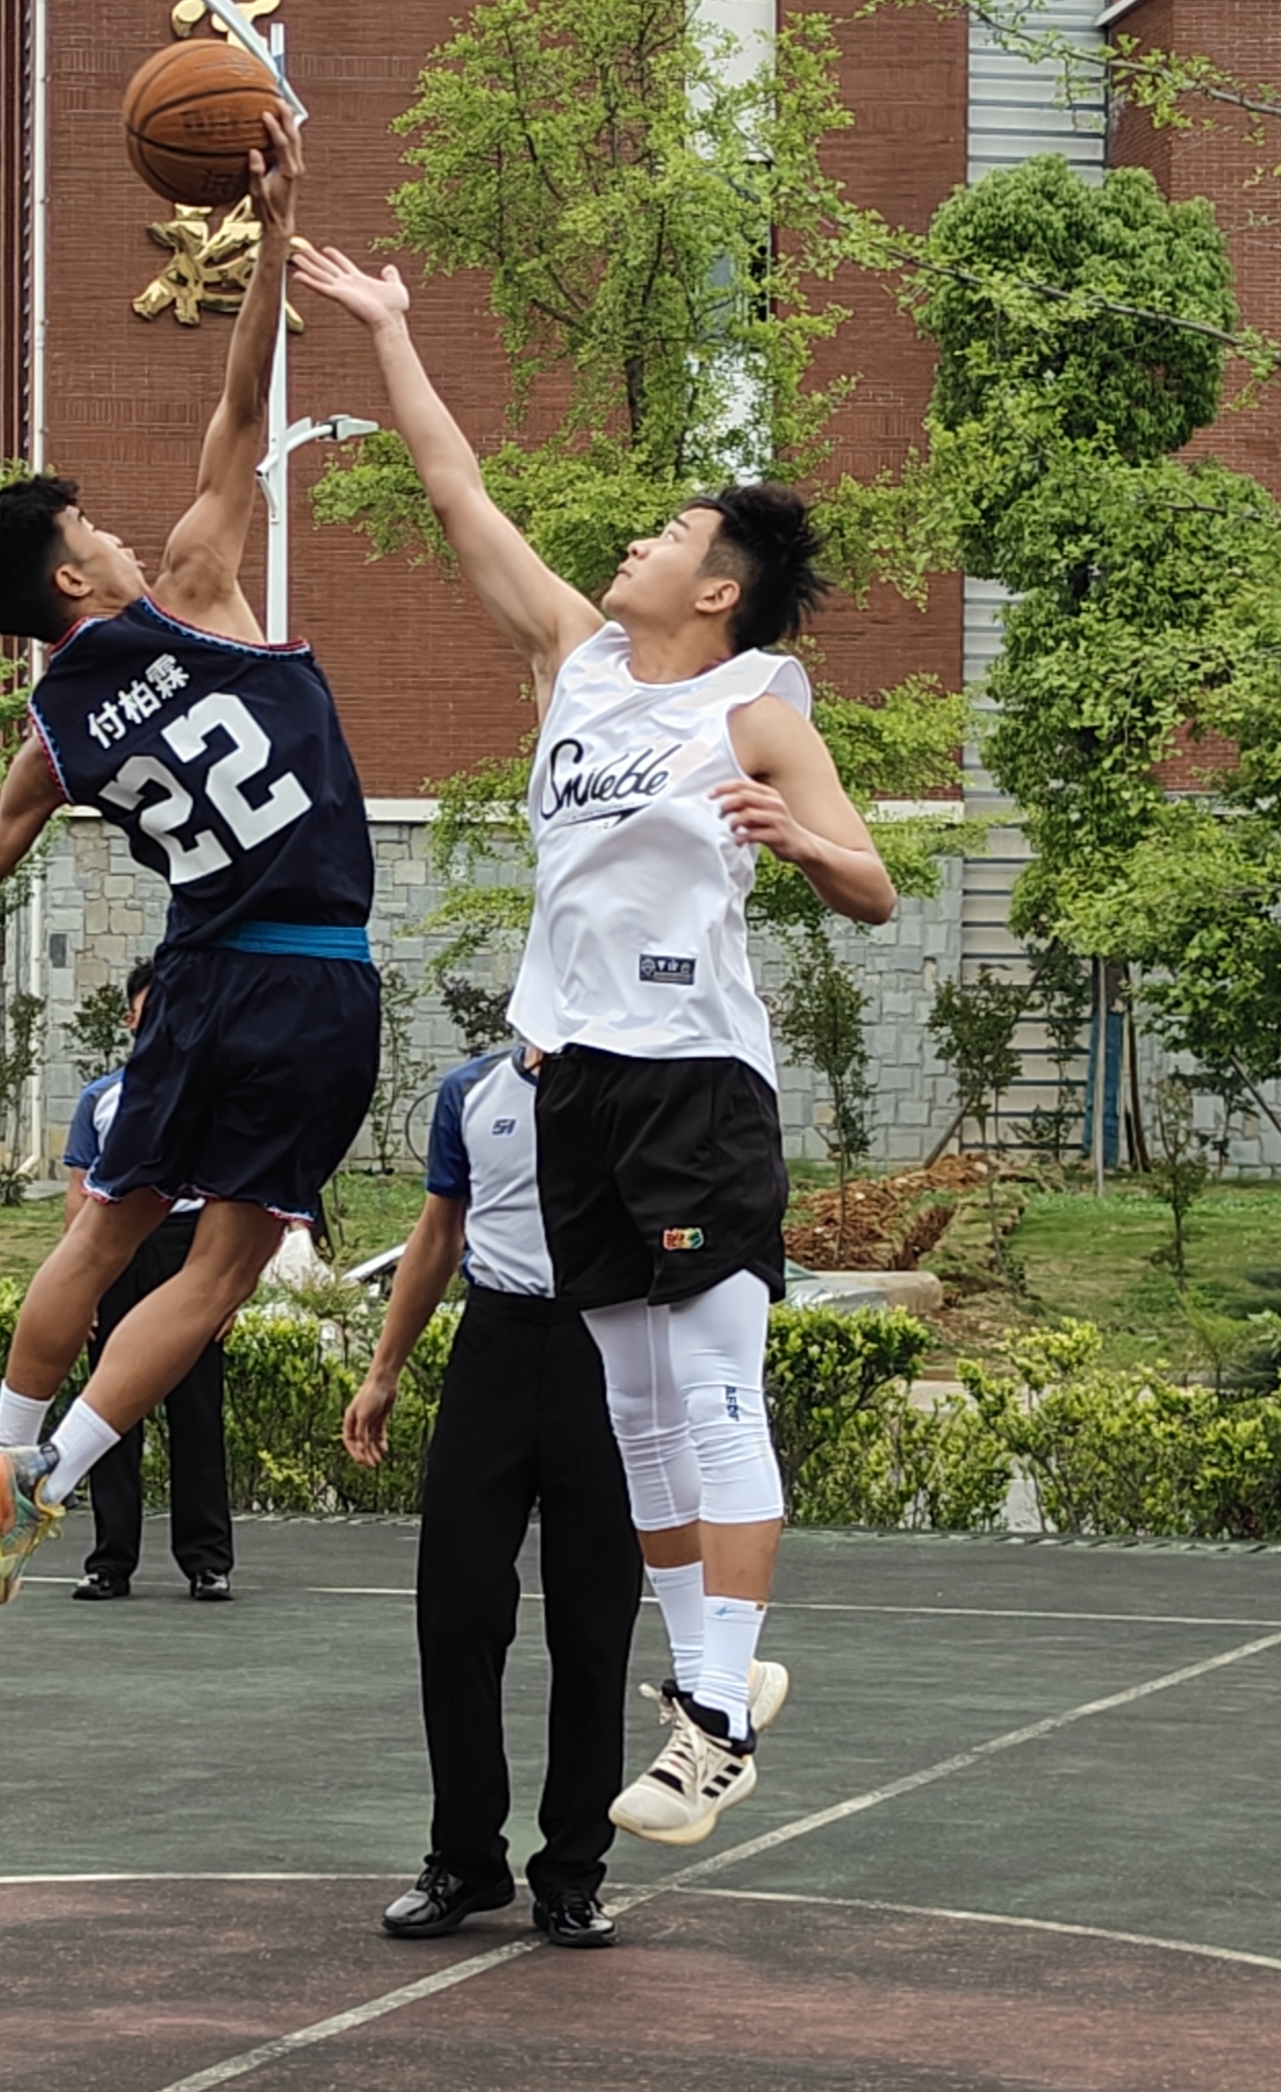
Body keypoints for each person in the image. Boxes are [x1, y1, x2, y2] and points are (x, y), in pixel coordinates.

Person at [294, 241, 896, 1845]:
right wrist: (391, 329)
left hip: (694, 1081)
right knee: (633, 1404)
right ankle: (716, 1678)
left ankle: (715, 1718)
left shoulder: (753, 708)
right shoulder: (575, 661)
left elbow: (874, 884)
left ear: (718, 590)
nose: (639, 537)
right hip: (574, 1081)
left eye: (672, 533)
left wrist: (803, 840)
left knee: (712, 1388)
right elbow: (455, 487)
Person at [0, 112, 380, 1604]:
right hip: (314, 979)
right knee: (220, 1273)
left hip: (199, 979)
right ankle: (50, 1482)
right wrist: (273, 229)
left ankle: (4, 1451)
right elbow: (243, 404)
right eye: (93, 527)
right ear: (74, 575)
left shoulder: (48, 733)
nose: (122, 537)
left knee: (103, 1233)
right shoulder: (201, 590)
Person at [347, 1040, 794, 1949]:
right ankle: (464, 1858)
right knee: (456, 1607)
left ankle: (572, 1872)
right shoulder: (471, 1091)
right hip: (496, 1343)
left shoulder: (637, 1091)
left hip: (607, 1345)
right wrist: (384, 1368)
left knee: (593, 1621)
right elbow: (438, 1231)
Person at [64, 959, 234, 1602]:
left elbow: (230, 1198)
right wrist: (77, 1289)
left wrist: (228, 1287)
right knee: (109, 1408)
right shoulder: (99, 1099)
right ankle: (110, 1562)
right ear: (131, 1019)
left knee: (197, 1412)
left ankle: (207, 1561)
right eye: (148, 1007)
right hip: (114, 1249)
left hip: (189, 1249)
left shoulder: (213, 1098)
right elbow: (79, 1196)